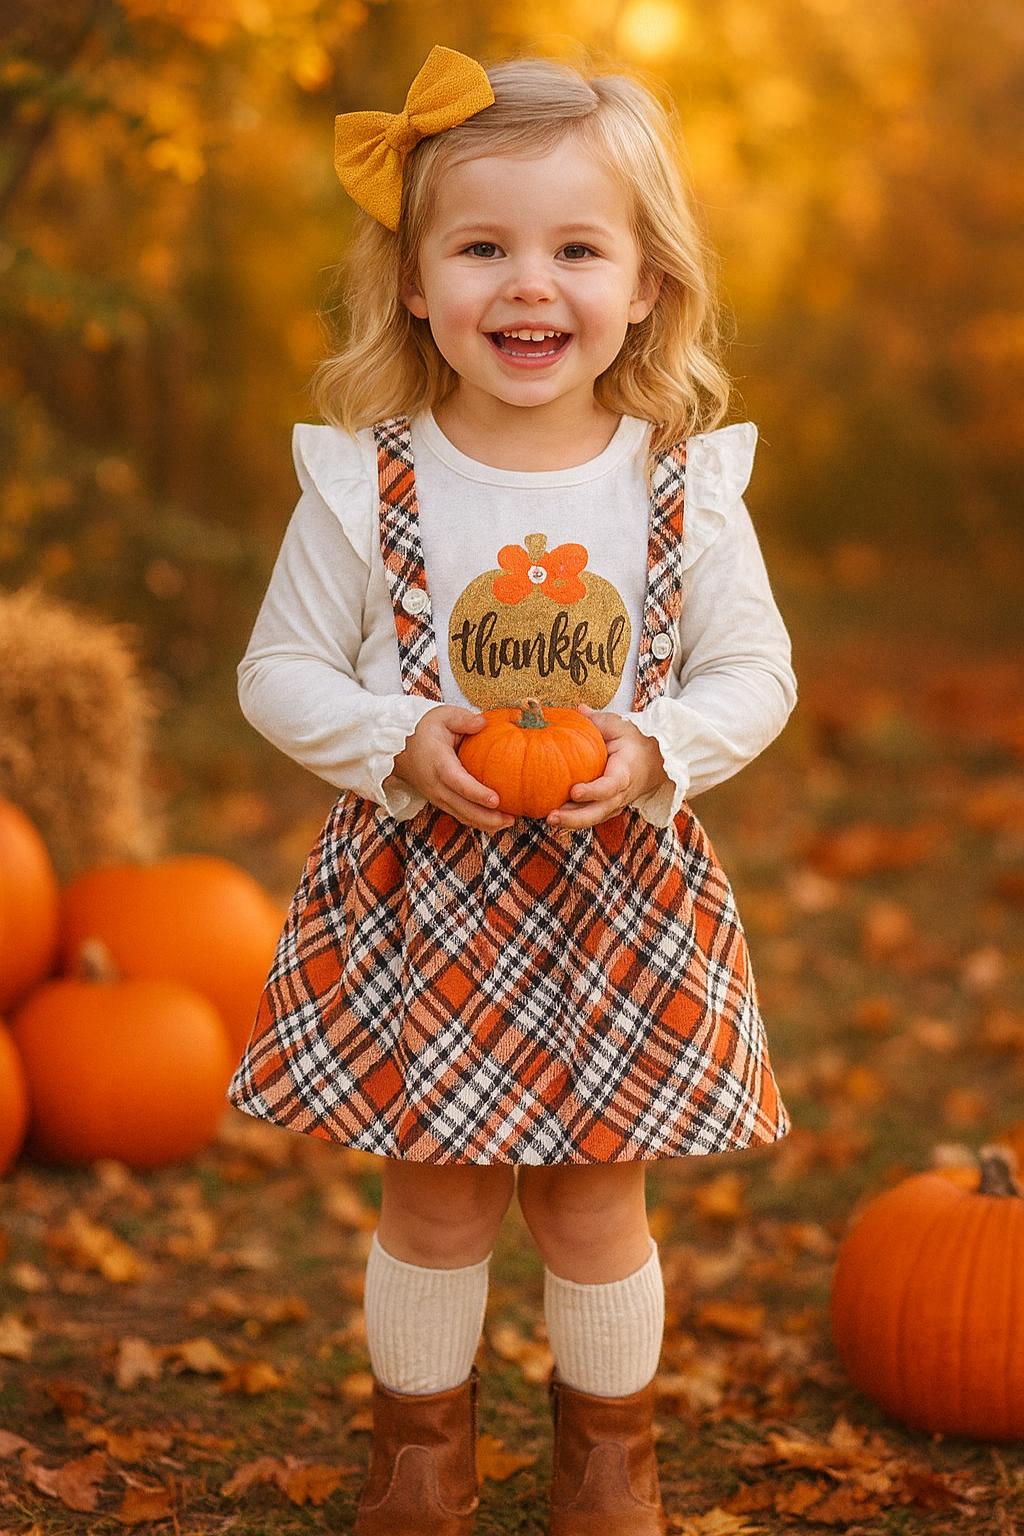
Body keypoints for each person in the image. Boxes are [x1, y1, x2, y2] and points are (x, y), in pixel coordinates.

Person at [225, 43, 798, 1536]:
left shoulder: (680, 482)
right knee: (437, 1195)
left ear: (648, 283)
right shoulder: (371, 480)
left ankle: (611, 1470)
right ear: (415, 281)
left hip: (619, 890)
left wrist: (658, 748)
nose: (527, 285)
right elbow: (279, 669)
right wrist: (396, 740)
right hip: (431, 893)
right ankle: (419, 1465)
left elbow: (755, 671)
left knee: (598, 1200)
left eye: (576, 249)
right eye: (482, 247)